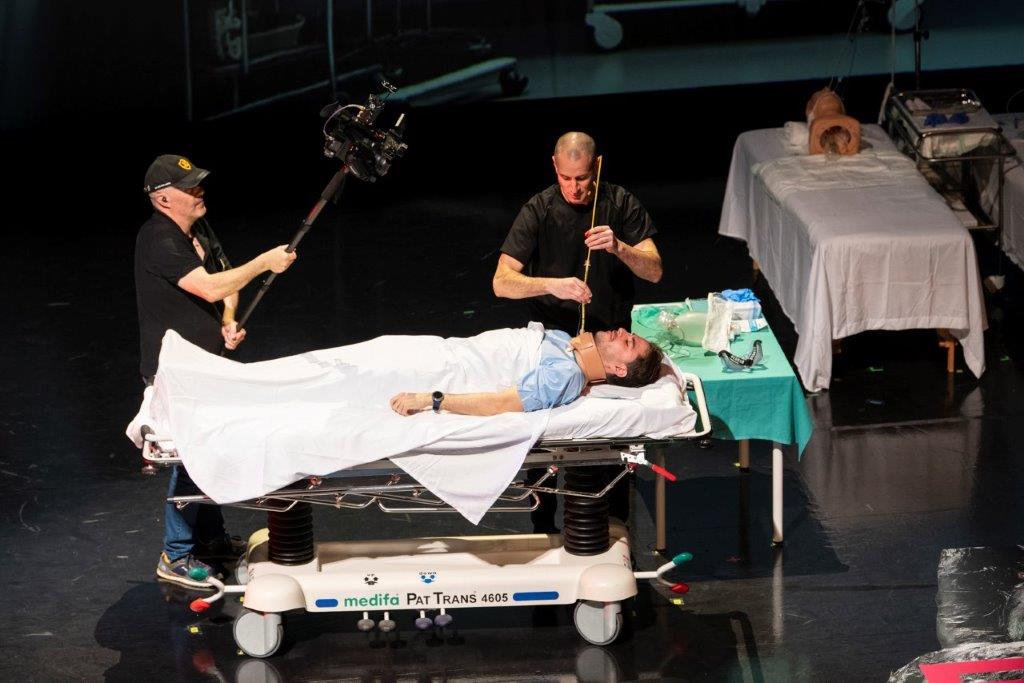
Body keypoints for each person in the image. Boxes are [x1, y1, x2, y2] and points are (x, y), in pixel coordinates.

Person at [134, 153, 296, 587]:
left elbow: (226, 282)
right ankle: (176, 554)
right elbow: (207, 286)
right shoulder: (158, 238)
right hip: (175, 371)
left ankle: (211, 541)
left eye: (199, 184)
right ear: (164, 199)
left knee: (207, 452)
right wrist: (263, 262)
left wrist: (228, 319)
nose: (199, 192)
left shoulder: (199, 230)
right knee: (190, 458)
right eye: (190, 188)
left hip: (205, 366)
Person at [492, 132, 663, 531]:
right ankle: (543, 527)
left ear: (596, 167)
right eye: (566, 178)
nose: (574, 187)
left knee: (611, 443)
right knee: (543, 444)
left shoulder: (620, 202)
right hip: (555, 339)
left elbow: (654, 270)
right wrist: (551, 284)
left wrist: (620, 247)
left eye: (582, 178)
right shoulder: (539, 209)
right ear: (555, 167)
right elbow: (501, 282)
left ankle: (615, 527)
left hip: (609, 340)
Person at [390, 327, 664, 416]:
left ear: (618, 369)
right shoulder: (570, 346)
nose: (622, 331)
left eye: (628, 342)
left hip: (441, 369)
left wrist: (431, 399)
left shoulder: (566, 375)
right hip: (447, 349)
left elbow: (499, 404)